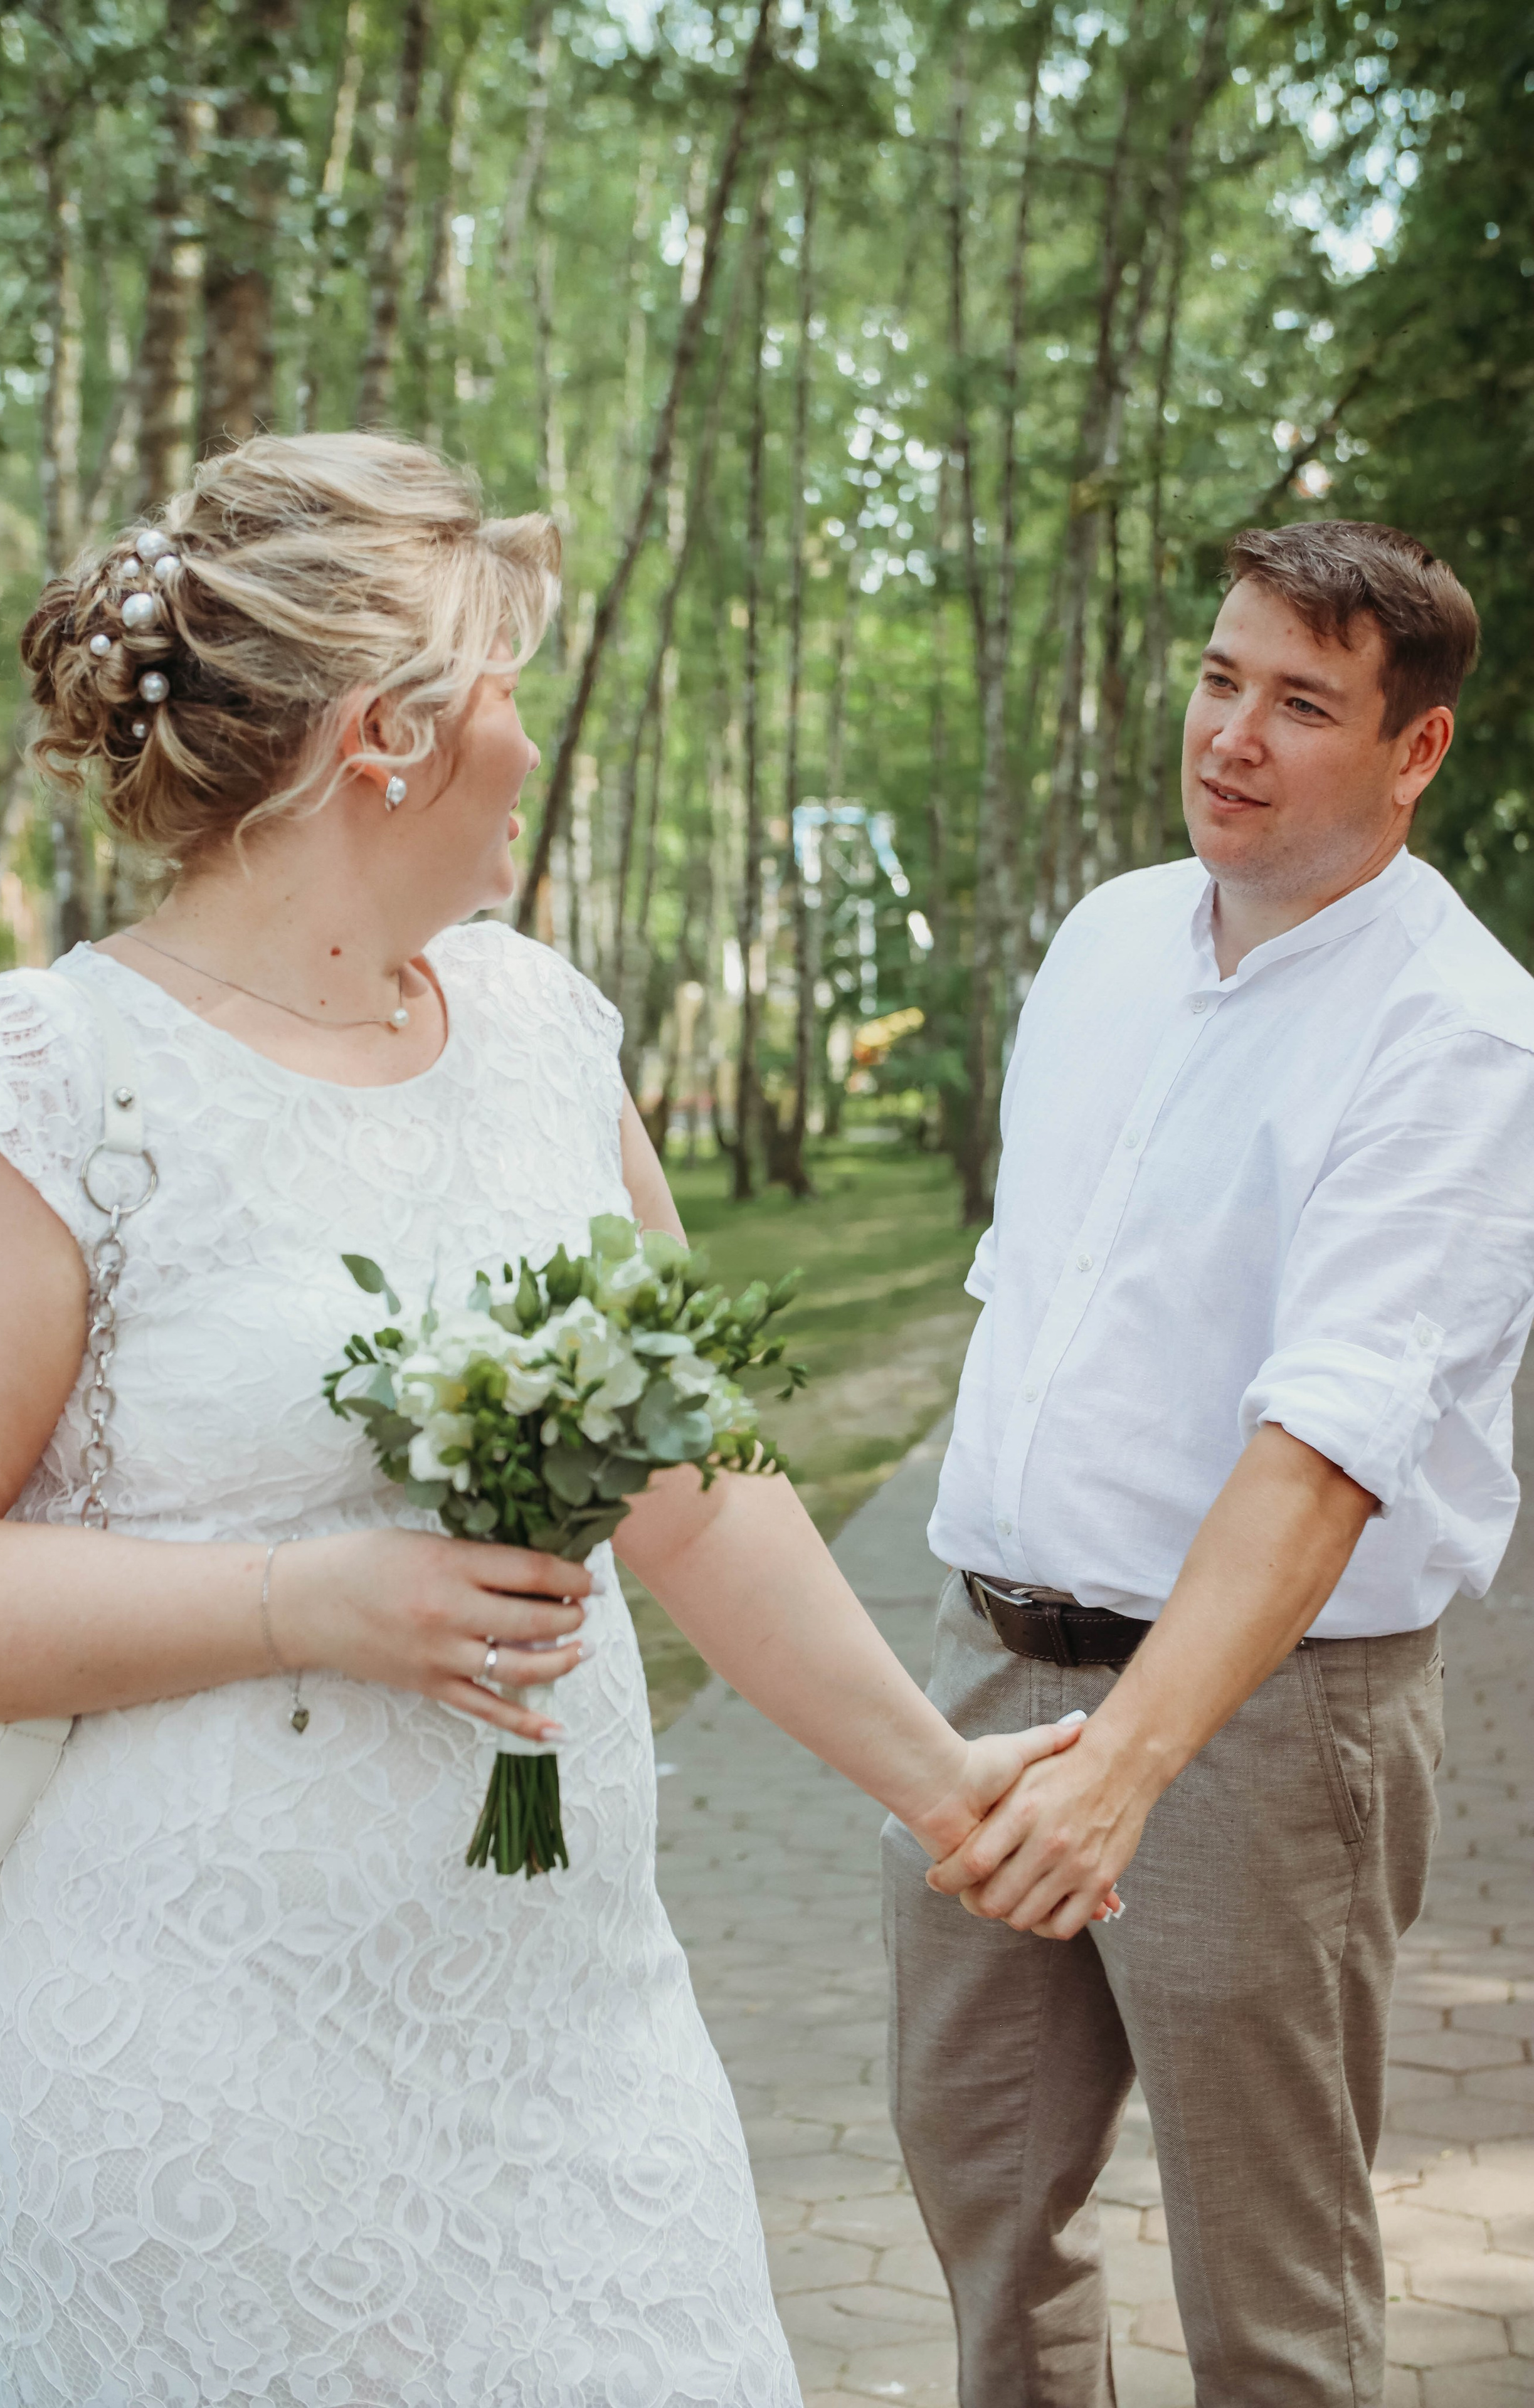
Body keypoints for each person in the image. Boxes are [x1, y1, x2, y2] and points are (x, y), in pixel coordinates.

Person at [0, 431, 1084, 2408]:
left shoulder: (544, 1032)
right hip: (194, 2060)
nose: (531, 749)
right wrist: (304, 1601)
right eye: (508, 697)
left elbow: (698, 1489)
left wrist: (943, 1788)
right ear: (390, 736)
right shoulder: (58, 1074)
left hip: (569, 2025)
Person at [884, 520, 1534, 2407]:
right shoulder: (1106, 939)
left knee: (1270, 2298)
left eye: (1303, 704)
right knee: (986, 2211)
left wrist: (1129, 1771)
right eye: (1219, 678)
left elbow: (1328, 1450)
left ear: (1413, 753)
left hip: (1261, 1733)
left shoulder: (1466, 1039)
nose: (1232, 736)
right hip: (992, 1675)